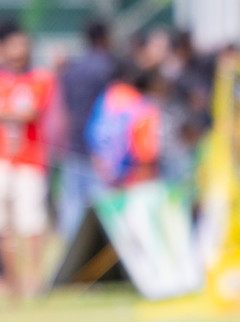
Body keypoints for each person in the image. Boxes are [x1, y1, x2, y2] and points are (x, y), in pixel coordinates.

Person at [0, 22, 55, 303]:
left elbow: (31, 113)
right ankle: (12, 281)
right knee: (4, 225)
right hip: (2, 160)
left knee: (30, 221)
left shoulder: (39, 78)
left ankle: (34, 278)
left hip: (30, 159)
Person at [57, 18, 117, 244]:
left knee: (73, 204)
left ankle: (70, 258)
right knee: (104, 202)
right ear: (104, 38)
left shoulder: (72, 69)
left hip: (74, 142)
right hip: (100, 146)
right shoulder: (108, 67)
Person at [87, 66, 161, 189]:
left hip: (102, 169)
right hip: (131, 176)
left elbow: (93, 131)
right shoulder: (144, 107)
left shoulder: (107, 96)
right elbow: (145, 152)